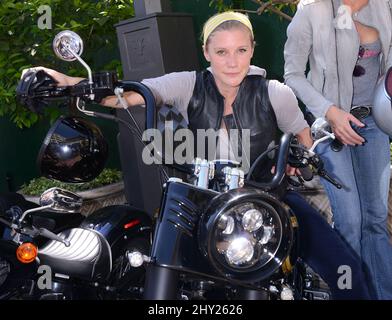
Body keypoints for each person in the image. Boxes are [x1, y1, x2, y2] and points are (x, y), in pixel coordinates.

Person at [26, 11, 370, 299]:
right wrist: (63, 81)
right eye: (221, 52)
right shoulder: (187, 84)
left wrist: (301, 158)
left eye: (240, 50)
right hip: (202, 202)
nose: (231, 61)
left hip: (267, 200)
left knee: (345, 269)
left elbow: (302, 135)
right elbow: (126, 96)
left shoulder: (275, 92)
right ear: (206, 52)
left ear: (252, 50)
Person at [284, 0, 392, 299]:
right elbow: (292, 74)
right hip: (331, 126)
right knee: (350, 221)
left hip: (375, 123)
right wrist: (330, 112)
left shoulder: (385, 7)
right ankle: (350, 294)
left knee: (375, 218)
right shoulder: (311, 11)